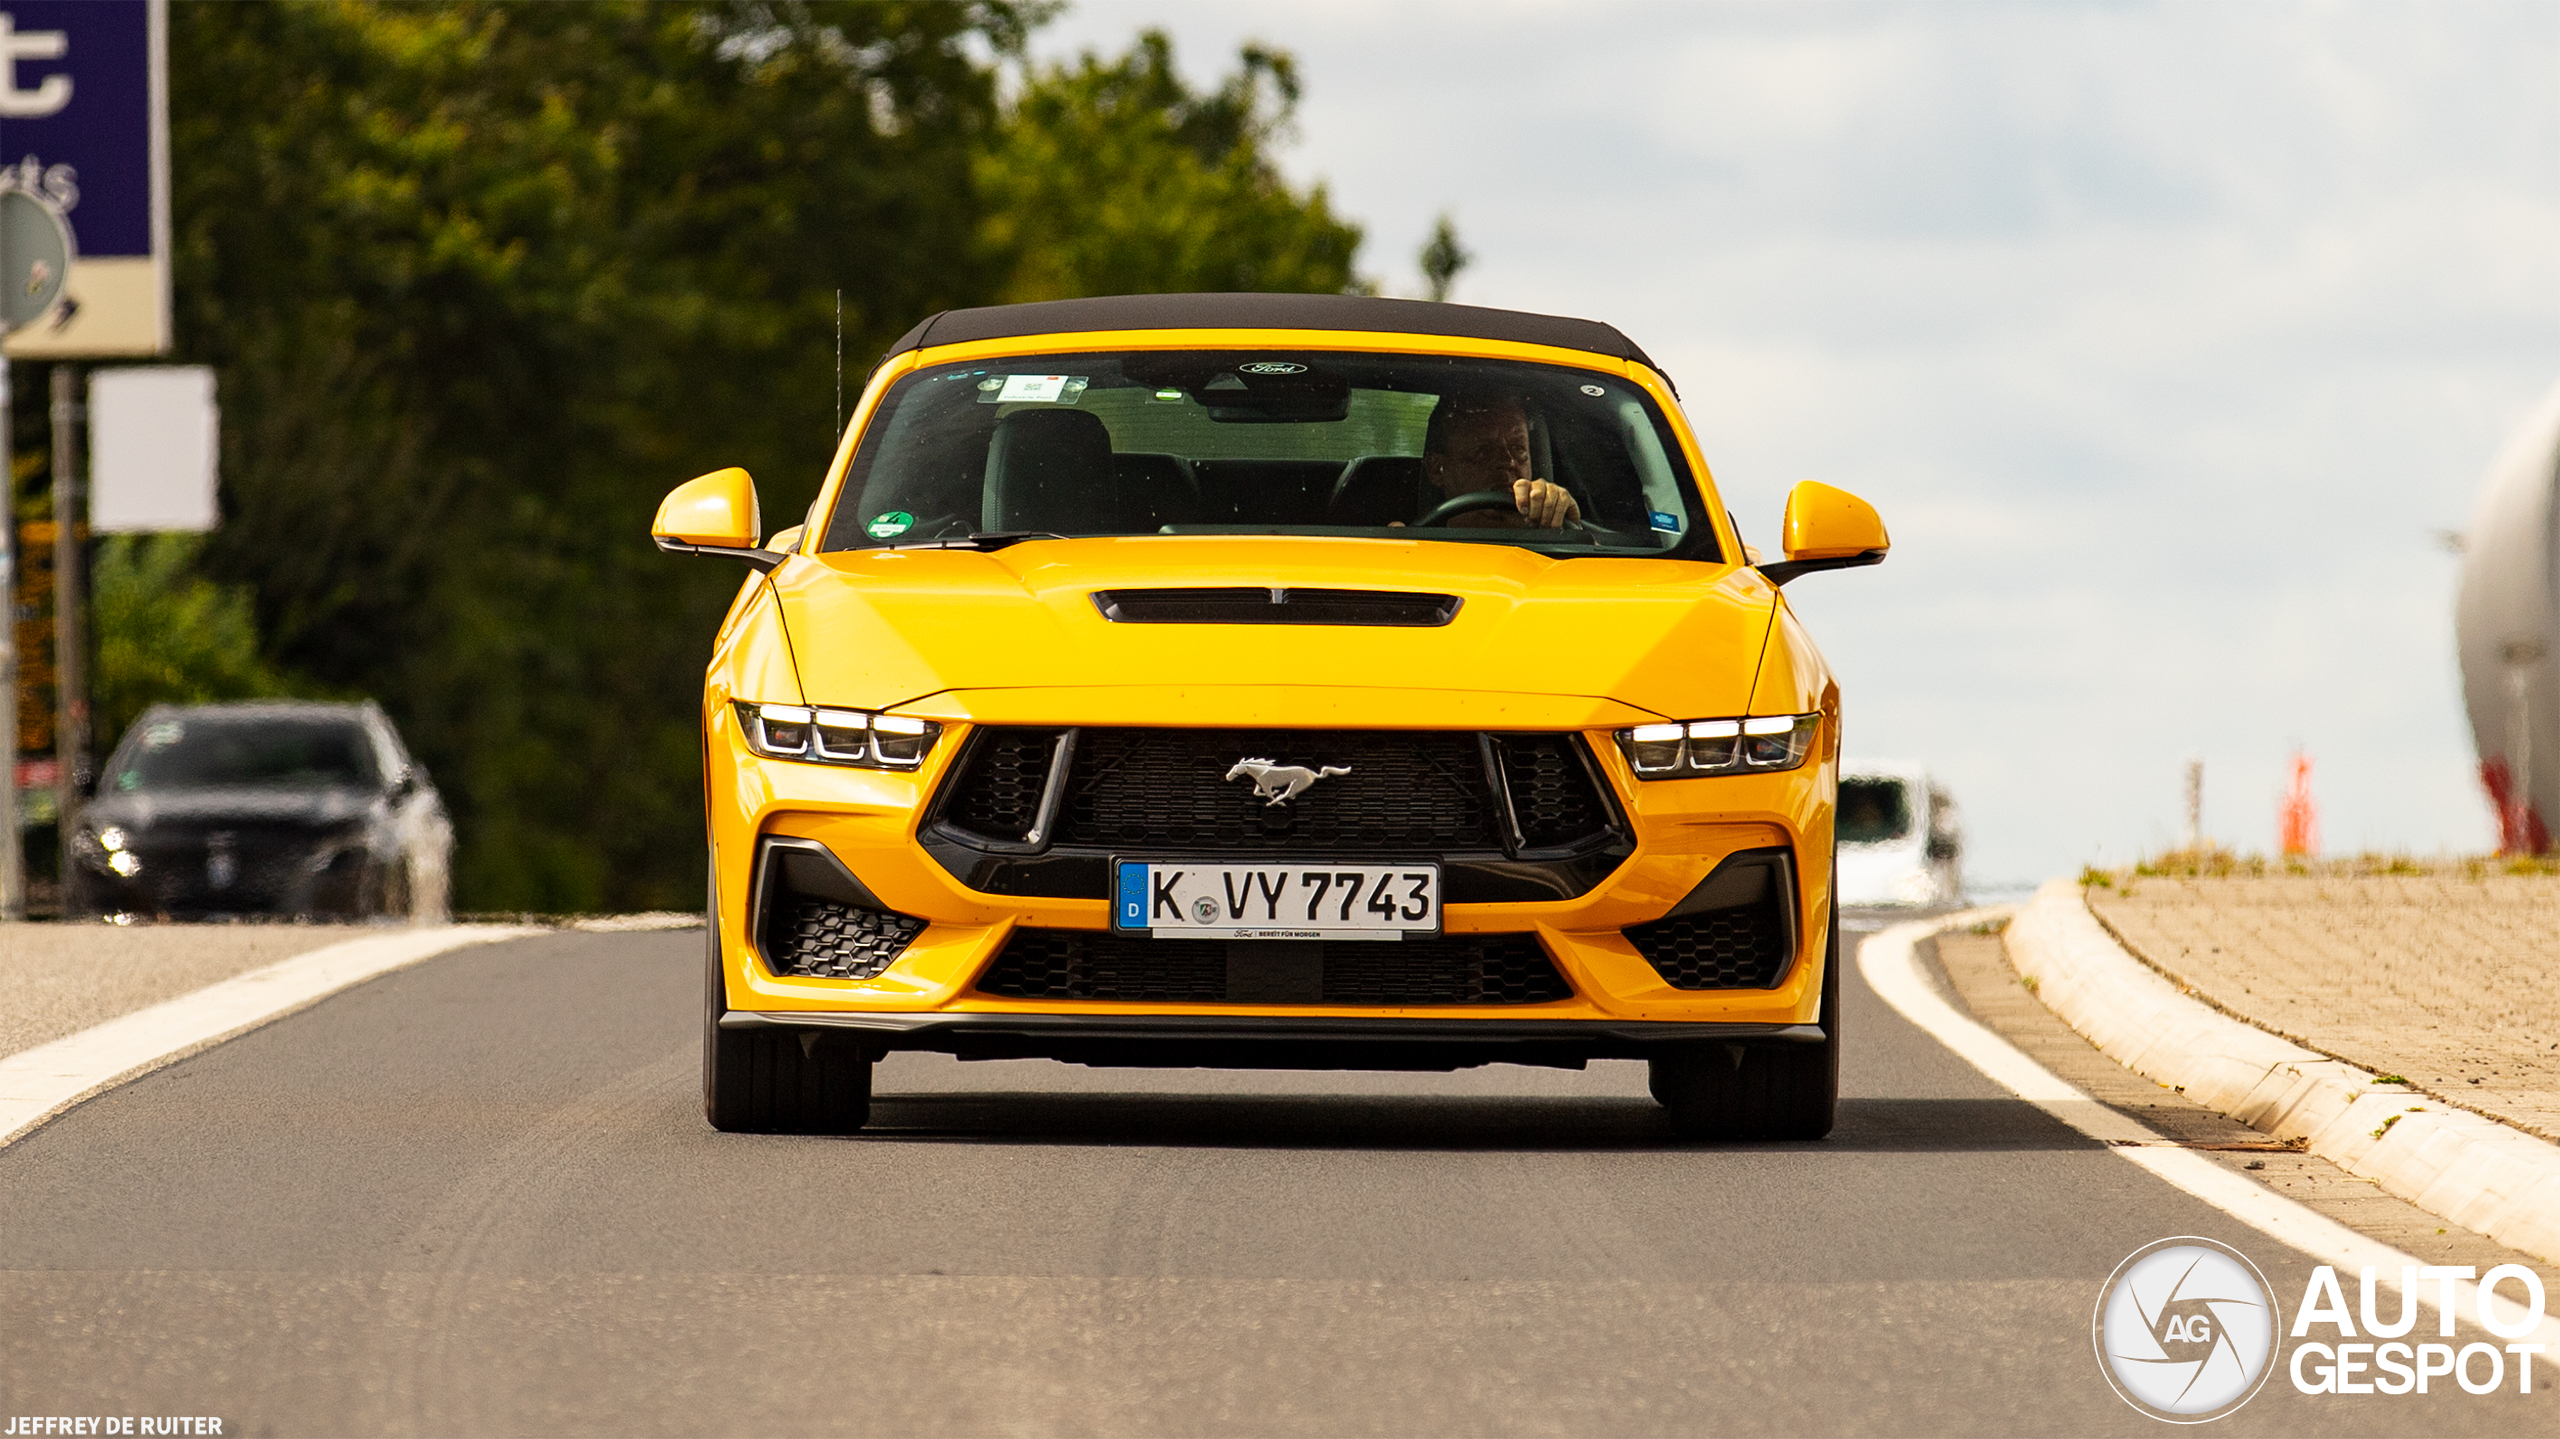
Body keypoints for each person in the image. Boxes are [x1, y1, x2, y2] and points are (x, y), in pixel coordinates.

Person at [1416, 395, 1581, 528]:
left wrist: (1564, 524)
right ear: (1437, 469)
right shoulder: (1406, 552)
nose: (1508, 461)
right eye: (1482, 452)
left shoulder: (1554, 550)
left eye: (1518, 448)